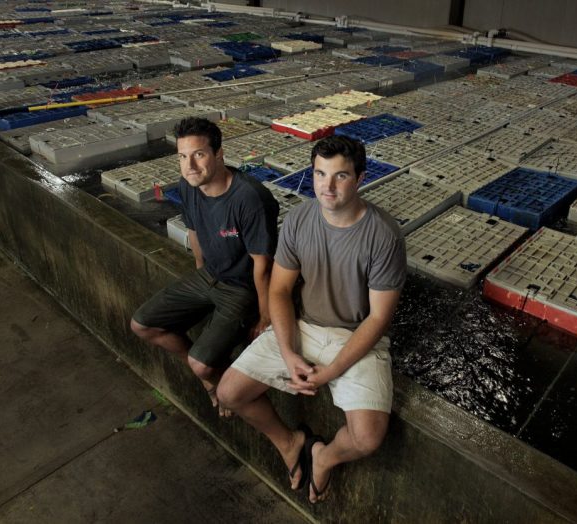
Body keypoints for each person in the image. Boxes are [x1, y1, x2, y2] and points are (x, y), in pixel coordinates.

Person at [217, 135, 406, 503]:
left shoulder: (384, 236)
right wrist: (288, 353)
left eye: (340, 176)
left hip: (357, 336)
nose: (327, 186)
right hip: (305, 326)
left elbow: (379, 318)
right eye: (320, 174)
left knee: (367, 437)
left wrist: (332, 370)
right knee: (229, 392)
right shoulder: (300, 219)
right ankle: (289, 442)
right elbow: (279, 291)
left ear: (361, 178)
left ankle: (324, 456)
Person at [131, 117, 279, 416]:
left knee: (200, 363)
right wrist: (199, 272)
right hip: (209, 276)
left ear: (219, 154)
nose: (190, 166)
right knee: (141, 324)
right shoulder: (188, 185)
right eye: (183, 157)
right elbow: (194, 231)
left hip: (242, 287)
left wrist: (264, 316)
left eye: (199, 154)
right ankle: (213, 374)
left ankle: (210, 375)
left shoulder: (249, 198)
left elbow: (262, 265)